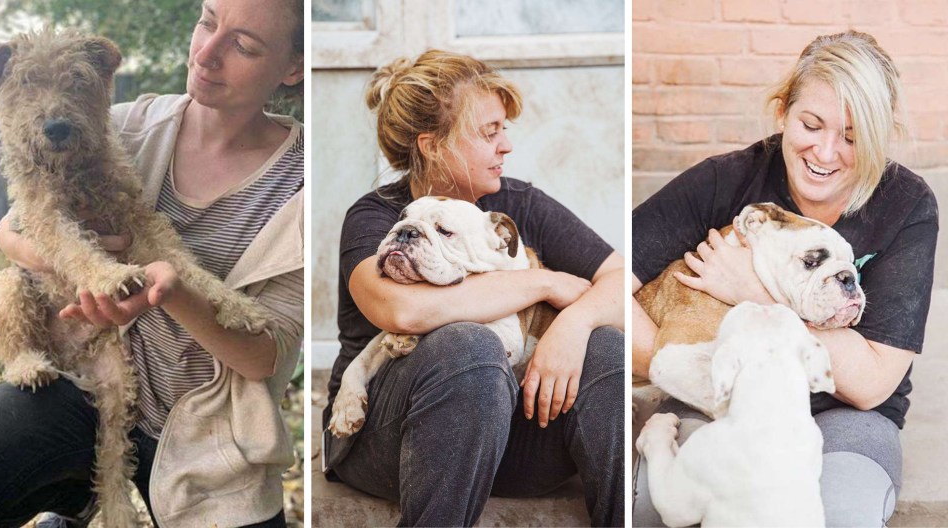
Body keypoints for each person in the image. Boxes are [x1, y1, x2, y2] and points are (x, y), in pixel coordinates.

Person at [0, 0, 304, 526]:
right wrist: (58, 259)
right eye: (206, 20)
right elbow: (16, 224)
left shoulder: (297, 184)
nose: (206, 54)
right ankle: (67, 504)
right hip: (80, 385)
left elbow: (266, 356)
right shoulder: (125, 124)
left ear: (293, 68)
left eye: (244, 45)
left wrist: (175, 293)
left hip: (208, 434)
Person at [632, 30, 937, 527]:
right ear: (783, 111)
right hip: (721, 404)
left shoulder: (906, 205)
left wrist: (754, 297)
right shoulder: (726, 181)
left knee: (842, 516)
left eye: (853, 137)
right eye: (811, 124)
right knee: (657, 511)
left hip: (842, 415)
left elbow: (871, 382)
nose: (825, 151)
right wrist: (682, 364)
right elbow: (609, 283)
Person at [321, 49, 626, 526]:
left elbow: (618, 280)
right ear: (432, 145)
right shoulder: (378, 215)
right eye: (490, 132)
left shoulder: (519, 203)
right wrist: (542, 280)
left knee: (607, 348)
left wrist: (575, 324)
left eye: (504, 130)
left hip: (514, 435)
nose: (506, 146)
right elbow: (401, 312)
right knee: (468, 347)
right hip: (383, 435)